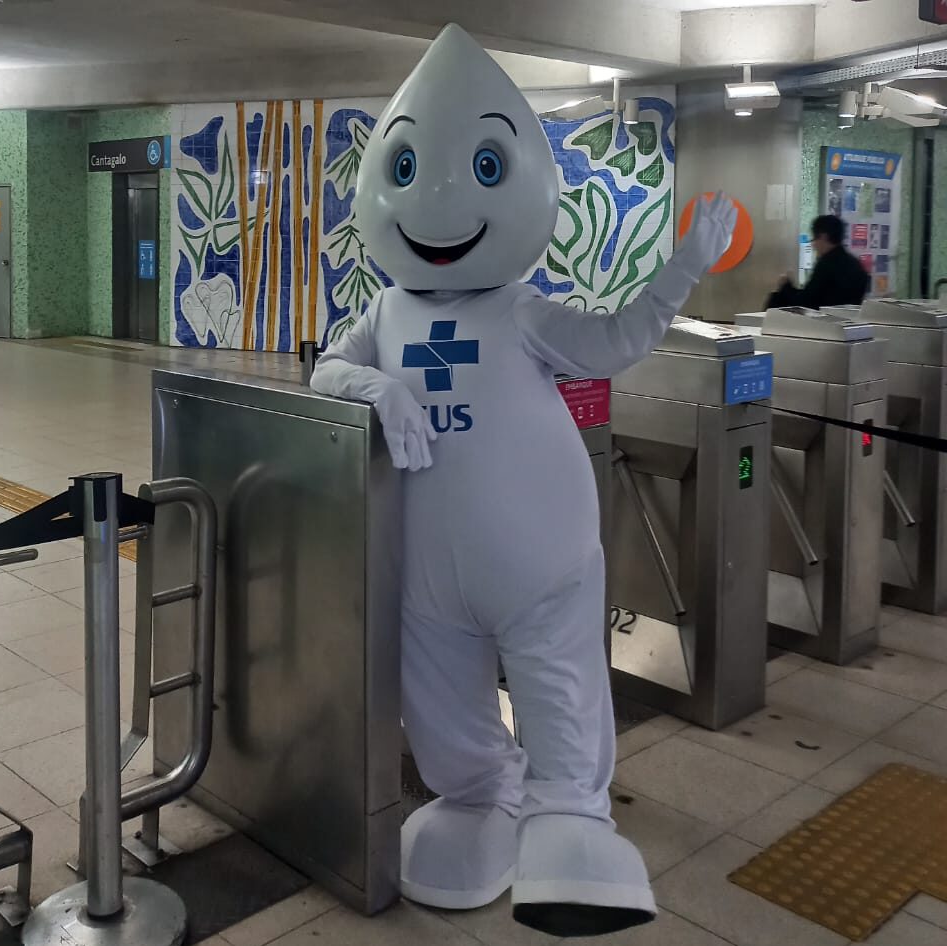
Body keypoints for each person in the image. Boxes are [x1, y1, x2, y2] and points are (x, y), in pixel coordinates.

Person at [309, 23, 735, 939]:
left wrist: (682, 271)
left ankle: (572, 817)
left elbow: (614, 340)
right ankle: (477, 799)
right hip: (426, 573)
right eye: (411, 169)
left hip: (538, 564)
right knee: (439, 704)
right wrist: (376, 383)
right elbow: (323, 373)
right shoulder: (382, 314)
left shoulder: (523, 309)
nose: (442, 201)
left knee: (558, 688)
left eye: (486, 173)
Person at [767, 215, 869, 309]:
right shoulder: (855, 265)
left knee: (777, 298)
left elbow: (806, 301)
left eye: (814, 238)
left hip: (821, 324)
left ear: (823, 237)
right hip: (847, 324)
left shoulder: (827, 265)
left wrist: (786, 286)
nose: (813, 245)